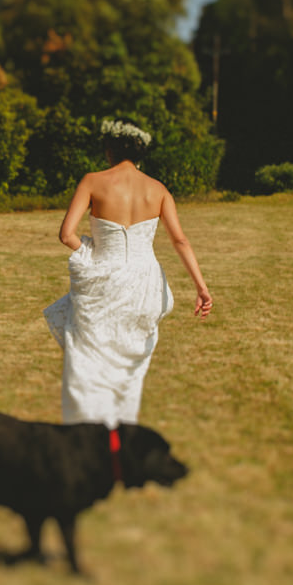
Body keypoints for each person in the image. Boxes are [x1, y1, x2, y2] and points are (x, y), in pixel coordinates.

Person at [43, 119, 212, 427]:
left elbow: (66, 234)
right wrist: (201, 288)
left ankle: (92, 431)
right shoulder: (158, 190)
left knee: (92, 361)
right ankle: (121, 432)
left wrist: (93, 251)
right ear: (138, 152)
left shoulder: (93, 181)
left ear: (110, 149)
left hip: (103, 281)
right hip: (145, 285)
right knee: (129, 367)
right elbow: (180, 240)